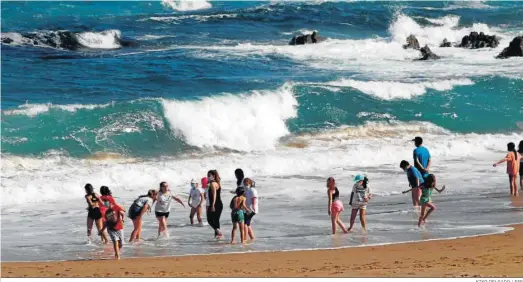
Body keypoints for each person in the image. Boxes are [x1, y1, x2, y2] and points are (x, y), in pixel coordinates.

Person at [207, 170, 223, 239]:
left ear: (213, 176)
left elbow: (214, 195)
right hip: (218, 203)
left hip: (215, 204)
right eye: (207, 175)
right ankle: (217, 236)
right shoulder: (217, 183)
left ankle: (218, 233)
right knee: (216, 220)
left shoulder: (213, 184)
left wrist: (213, 205)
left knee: (209, 220)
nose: (208, 177)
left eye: (209, 175)